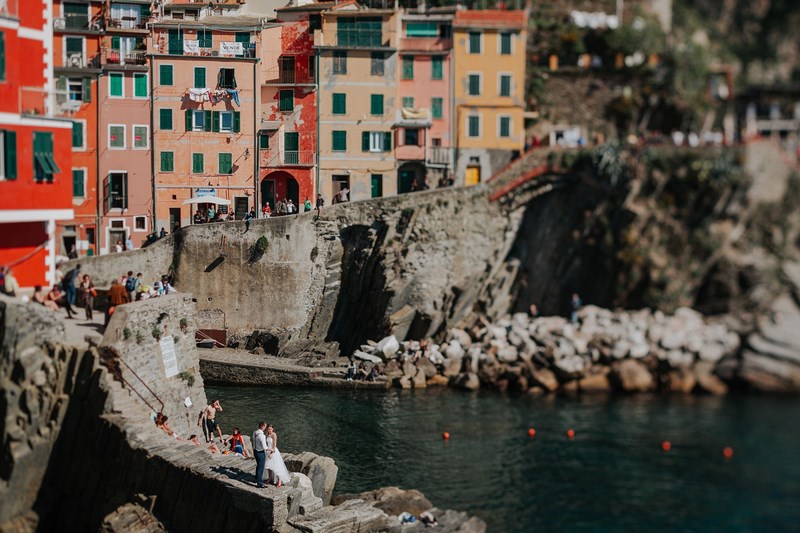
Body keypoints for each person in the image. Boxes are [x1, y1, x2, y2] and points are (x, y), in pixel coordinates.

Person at [253, 422, 268, 488]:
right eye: (265, 426)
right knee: (260, 467)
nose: (265, 428)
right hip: (260, 452)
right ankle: (259, 483)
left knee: (258, 465)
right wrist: (272, 449)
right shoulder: (262, 435)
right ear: (262, 426)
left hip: (255, 451)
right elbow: (265, 447)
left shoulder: (255, 432)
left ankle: (256, 477)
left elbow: (253, 441)